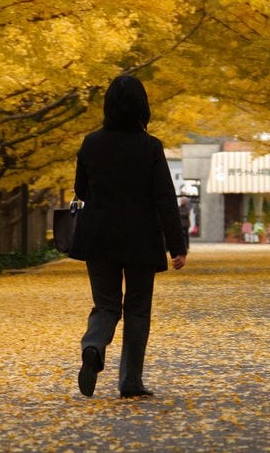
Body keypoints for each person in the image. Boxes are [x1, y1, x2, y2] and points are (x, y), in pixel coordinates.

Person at [70, 73, 187, 398]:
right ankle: (130, 381)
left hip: (98, 236)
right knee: (137, 309)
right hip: (140, 238)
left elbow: (81, 189)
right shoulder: (150, 147)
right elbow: (165, 196)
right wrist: (176, 246)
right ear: (142, 107)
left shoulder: (91, 143)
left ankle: (93, 346)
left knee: (106, 306)